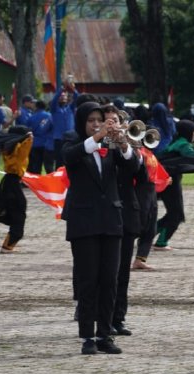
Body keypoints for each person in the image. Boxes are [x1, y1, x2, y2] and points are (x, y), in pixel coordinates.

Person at [61, 102, 139, 355]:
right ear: (82, 122)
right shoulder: (72, 141)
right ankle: (87, 336)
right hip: (84, 222)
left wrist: (123, 142)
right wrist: (98, 136)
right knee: (88, 280)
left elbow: (133, 166)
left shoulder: (110, 145)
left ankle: (105, 334)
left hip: (111, 220)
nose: (96, 123)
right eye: (91, 120)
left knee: (109, 280)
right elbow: (70, 157)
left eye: (100, 120)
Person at [103, 104, 142, 336]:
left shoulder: (128, 144)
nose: (111, 125)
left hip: (126, 214)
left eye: (114, 121)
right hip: (102, 215)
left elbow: (139, 170)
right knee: (105, 272)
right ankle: (101, 318)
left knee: (122, 274)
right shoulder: (93, 144)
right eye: (106, 120)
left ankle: (118, 318)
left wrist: (123, 142)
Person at [154, 120, 194, 250]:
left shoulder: (176, 142)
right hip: (171, 183)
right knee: (176, 214)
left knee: (173, 213)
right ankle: (161, 242)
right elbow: (193, 155)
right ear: (189, 132)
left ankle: (147, 235)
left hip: (168, 181)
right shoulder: (182, 144)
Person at [0, 126, 33, 253]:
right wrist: (28, 138)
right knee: (19, 214)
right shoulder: (19, 147)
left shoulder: (9, 147)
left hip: (7, 182)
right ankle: (7, 246)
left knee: (12, 212)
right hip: (12, 184)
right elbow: (26, 144)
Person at [50, 83, 79, 169]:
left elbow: (77, 98)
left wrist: (73, 90)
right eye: (61, 96)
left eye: (65, 96)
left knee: (70, 160)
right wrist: (61, 90)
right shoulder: (54, 109)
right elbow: (54, 100)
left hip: (70, 139)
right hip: (59, 139)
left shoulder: (70, 108)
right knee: (59, 161)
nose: (63, 97)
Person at [26, 100, 54, 174]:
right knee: (49, 166)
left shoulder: (31, 117)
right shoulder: (50, 116)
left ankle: (36, 184)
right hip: (47, 144)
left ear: (36, 107)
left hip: (35, 143)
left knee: (36, 166)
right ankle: (50, 182)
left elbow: (28, 130)